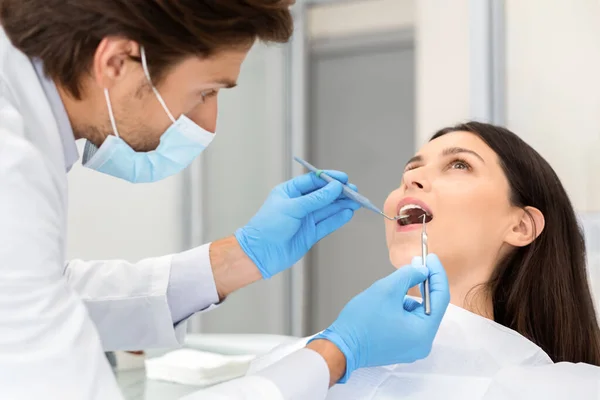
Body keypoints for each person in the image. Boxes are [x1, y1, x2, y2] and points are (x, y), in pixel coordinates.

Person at [0, 1, 451, 399]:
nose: (209, 123)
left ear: (523, 225)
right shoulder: (11, 165)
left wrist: (238, 258)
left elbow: (44, 302)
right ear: (117, 61)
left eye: (459, 166)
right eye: (206, 91)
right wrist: (335, 354)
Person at [246, 122, 600, 399]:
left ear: (521, 226)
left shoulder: (555, 389)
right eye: (411, 167)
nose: (409, 177)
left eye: (459, 165)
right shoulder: (290, 361)